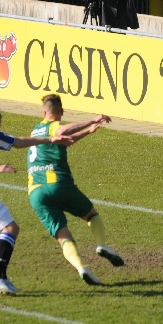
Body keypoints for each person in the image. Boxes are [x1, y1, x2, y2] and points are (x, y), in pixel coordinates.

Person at [0, 98, 74, 295]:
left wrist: (50, 140)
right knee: (10, 227)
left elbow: (18, 142)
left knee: (11, 228)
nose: (1, 116)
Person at [27, 94, 125, 286]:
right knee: (91, 215)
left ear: (43, 112)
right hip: (58, 184)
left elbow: (65, 138)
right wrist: (92, 119)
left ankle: (82, 269)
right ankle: (101, 246)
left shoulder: (35, 131)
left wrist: (88, 132)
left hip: (36, 193)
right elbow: (61, 130)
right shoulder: (53, 126)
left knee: (63, 236)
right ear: (61, 112)